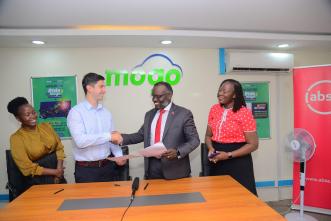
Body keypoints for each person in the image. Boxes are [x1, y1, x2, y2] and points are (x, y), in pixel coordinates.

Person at [119, 81, 200, 180]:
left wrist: (178, 152)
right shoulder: (149, 115)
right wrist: (120, 138)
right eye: (153, 96)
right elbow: (140, 135)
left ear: (169, 95)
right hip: (152, 169)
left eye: (158, 96)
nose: (154, 99)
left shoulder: (183, 114)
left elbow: (194, 140)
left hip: (175, 170)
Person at [67, 72, 126, 183]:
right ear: (89, 88)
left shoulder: (106, 113)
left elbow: (112, 138)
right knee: (88, 201)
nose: (104, 90)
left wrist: (119, 155)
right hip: (86, 171)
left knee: (111, 200)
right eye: (101, 86)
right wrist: (108, 136)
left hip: (108, 167)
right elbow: (81, 141)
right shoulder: (76, 112)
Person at [205, 79, 258, 195]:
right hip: (217, 160)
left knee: (240, 198)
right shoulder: (214, 109)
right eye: (220, 90)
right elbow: (208, 136)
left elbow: (253, 144)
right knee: (217, 197)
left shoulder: (244, 113)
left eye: (225, 91)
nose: (220, 94)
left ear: (234, 95)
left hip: (238, 161)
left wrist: (228, 155)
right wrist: (210, 149)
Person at [7, 97, 66, 187]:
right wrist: (55, 172)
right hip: (38, 180)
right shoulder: (16, 138)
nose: (33, 116)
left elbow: (59, 148)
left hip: (58, 174)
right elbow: (26, 167)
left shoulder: (46, 127)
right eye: (27, 115)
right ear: (18, 118)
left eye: (33, 112)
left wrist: (59, 170)